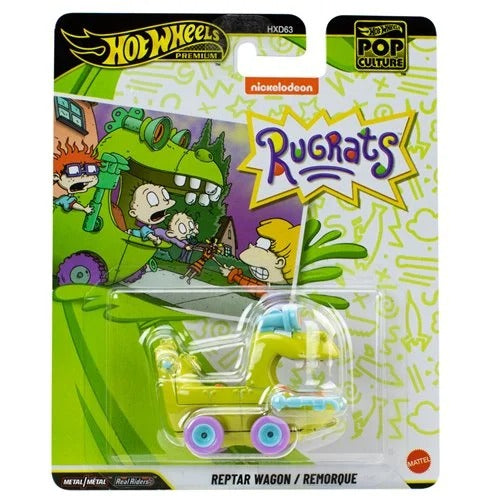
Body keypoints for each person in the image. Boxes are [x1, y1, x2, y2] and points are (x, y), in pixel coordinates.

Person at [220, 218, 300, 288]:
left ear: (279, 262)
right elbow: (253, 283)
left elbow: (253, 287)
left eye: (262, 245)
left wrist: (233, 275)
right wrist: (233, 274)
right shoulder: (269, 284)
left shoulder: (279, 288)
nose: (250, 246)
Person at [53, 140, 100, 213]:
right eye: (74, 170)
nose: (84, 175)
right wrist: (84, 209)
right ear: (56, 176)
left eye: (90, 169)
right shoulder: (64, 199)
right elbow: (73, 204)